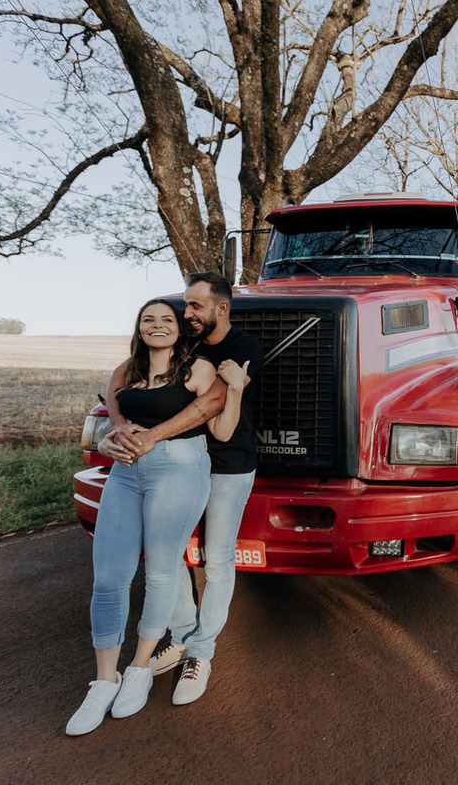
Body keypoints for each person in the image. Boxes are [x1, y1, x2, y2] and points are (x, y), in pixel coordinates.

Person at [65, 298, 247, 736]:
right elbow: (115, 409)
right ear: (139, 327)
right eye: (148, 319)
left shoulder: (198, 368)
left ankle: (139, 668)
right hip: (126, 473)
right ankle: (104, 680)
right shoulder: (126, 370)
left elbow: (218, 421)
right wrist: (112, 435)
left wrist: (235, 390)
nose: (157, 325)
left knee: (162, 572)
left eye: (167, 319)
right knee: (109, 577)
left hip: (179, 467)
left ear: (179, 329)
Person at [106, 272, 263, 706]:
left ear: (221, 308)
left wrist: (152, 435)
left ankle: (201, 651)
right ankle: (181, 635)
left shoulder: (243, 348)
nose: (186, 313)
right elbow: (124, 374)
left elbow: (217, 411)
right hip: (179, 463)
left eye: (195, 306)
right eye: (185, 306)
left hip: (228, 463)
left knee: (218, 558)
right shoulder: (184, 345)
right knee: (166, 554)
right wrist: (118, 426)